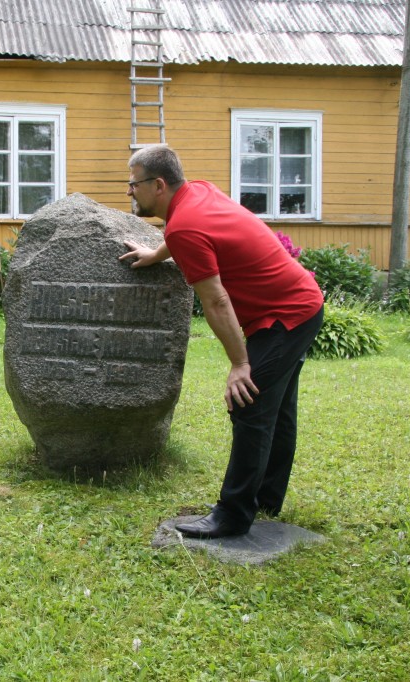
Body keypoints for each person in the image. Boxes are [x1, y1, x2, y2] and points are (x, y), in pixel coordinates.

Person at [120, 144, 324, 539]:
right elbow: (194, 232)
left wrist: (240, 363)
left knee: (248, 404)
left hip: (286, 316)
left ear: (158, 185)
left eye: (134, 183)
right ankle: (265, 498)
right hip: (302, 303)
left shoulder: (184, 226)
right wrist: (160, 253)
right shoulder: (196, 193)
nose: (130, 191)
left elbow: (215, 300)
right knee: (275, 408)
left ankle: (233, 514)